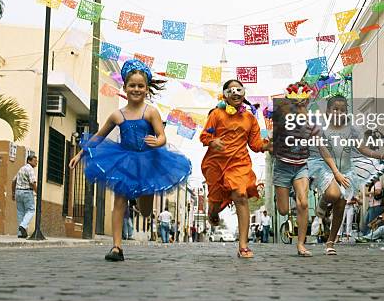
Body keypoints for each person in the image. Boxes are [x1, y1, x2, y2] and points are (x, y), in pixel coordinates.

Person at [69, 59, 192, 261]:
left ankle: (144, 200)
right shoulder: (117, 115)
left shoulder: (151, 112)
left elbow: (162, 136)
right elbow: (99, 137)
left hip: (148, 161)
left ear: (146, 89)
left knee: (144, 210)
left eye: (140, 86)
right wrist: (80, 153)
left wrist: (157, 141)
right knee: (119, 202)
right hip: (124, 161)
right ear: (125, 87)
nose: (136, 89)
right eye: (132, 85)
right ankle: (117, 247)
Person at [308, 95, 384, 256]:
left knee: (340, 205)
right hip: (326, 168)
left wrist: (380, 155)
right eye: (335, 109)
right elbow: (323, 150)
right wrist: (336, 173)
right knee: (333, 193)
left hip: (347, 170)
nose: (339, 113)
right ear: (328, 111)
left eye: (343, 110)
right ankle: (323, 204)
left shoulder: (351, 129)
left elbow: (362, 148)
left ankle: (330, 242)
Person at [272, 83, 347, 257]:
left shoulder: (311, 122)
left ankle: (300, 245)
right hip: (282, 168)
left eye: (304, 102)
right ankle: (281, 195)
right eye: (297, 102)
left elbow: (322, 148)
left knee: (304, 203)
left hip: (301, 166)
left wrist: (335, 171)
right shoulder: (283, 118)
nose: (301, 104)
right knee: (283, 210)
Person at [200, 80, 273, 258]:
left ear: (243, 93)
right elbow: (204, 136)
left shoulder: (249, 118)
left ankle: (243, 245)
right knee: (215, 201)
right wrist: (212, 141)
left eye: (239, 90)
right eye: (231, 90)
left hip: (239, 163)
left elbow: (255, 144)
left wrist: (267, 146)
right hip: (215, 164)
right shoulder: (216, 114)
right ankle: (214, 211)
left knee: (240, 195)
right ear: (225, 94)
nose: (235, 93)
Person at [12, 154, 37, 238]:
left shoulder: (21, 169)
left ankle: (21, 233)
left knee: (20, 212)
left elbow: (13, 181)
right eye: (34, 161)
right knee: (31, 210)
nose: (36, 163)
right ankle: (22, 226)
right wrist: (37, 192)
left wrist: (13, 193)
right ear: (29, 161)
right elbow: (32, 182)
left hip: (18, 191)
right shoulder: (30, 169)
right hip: (27, 192)